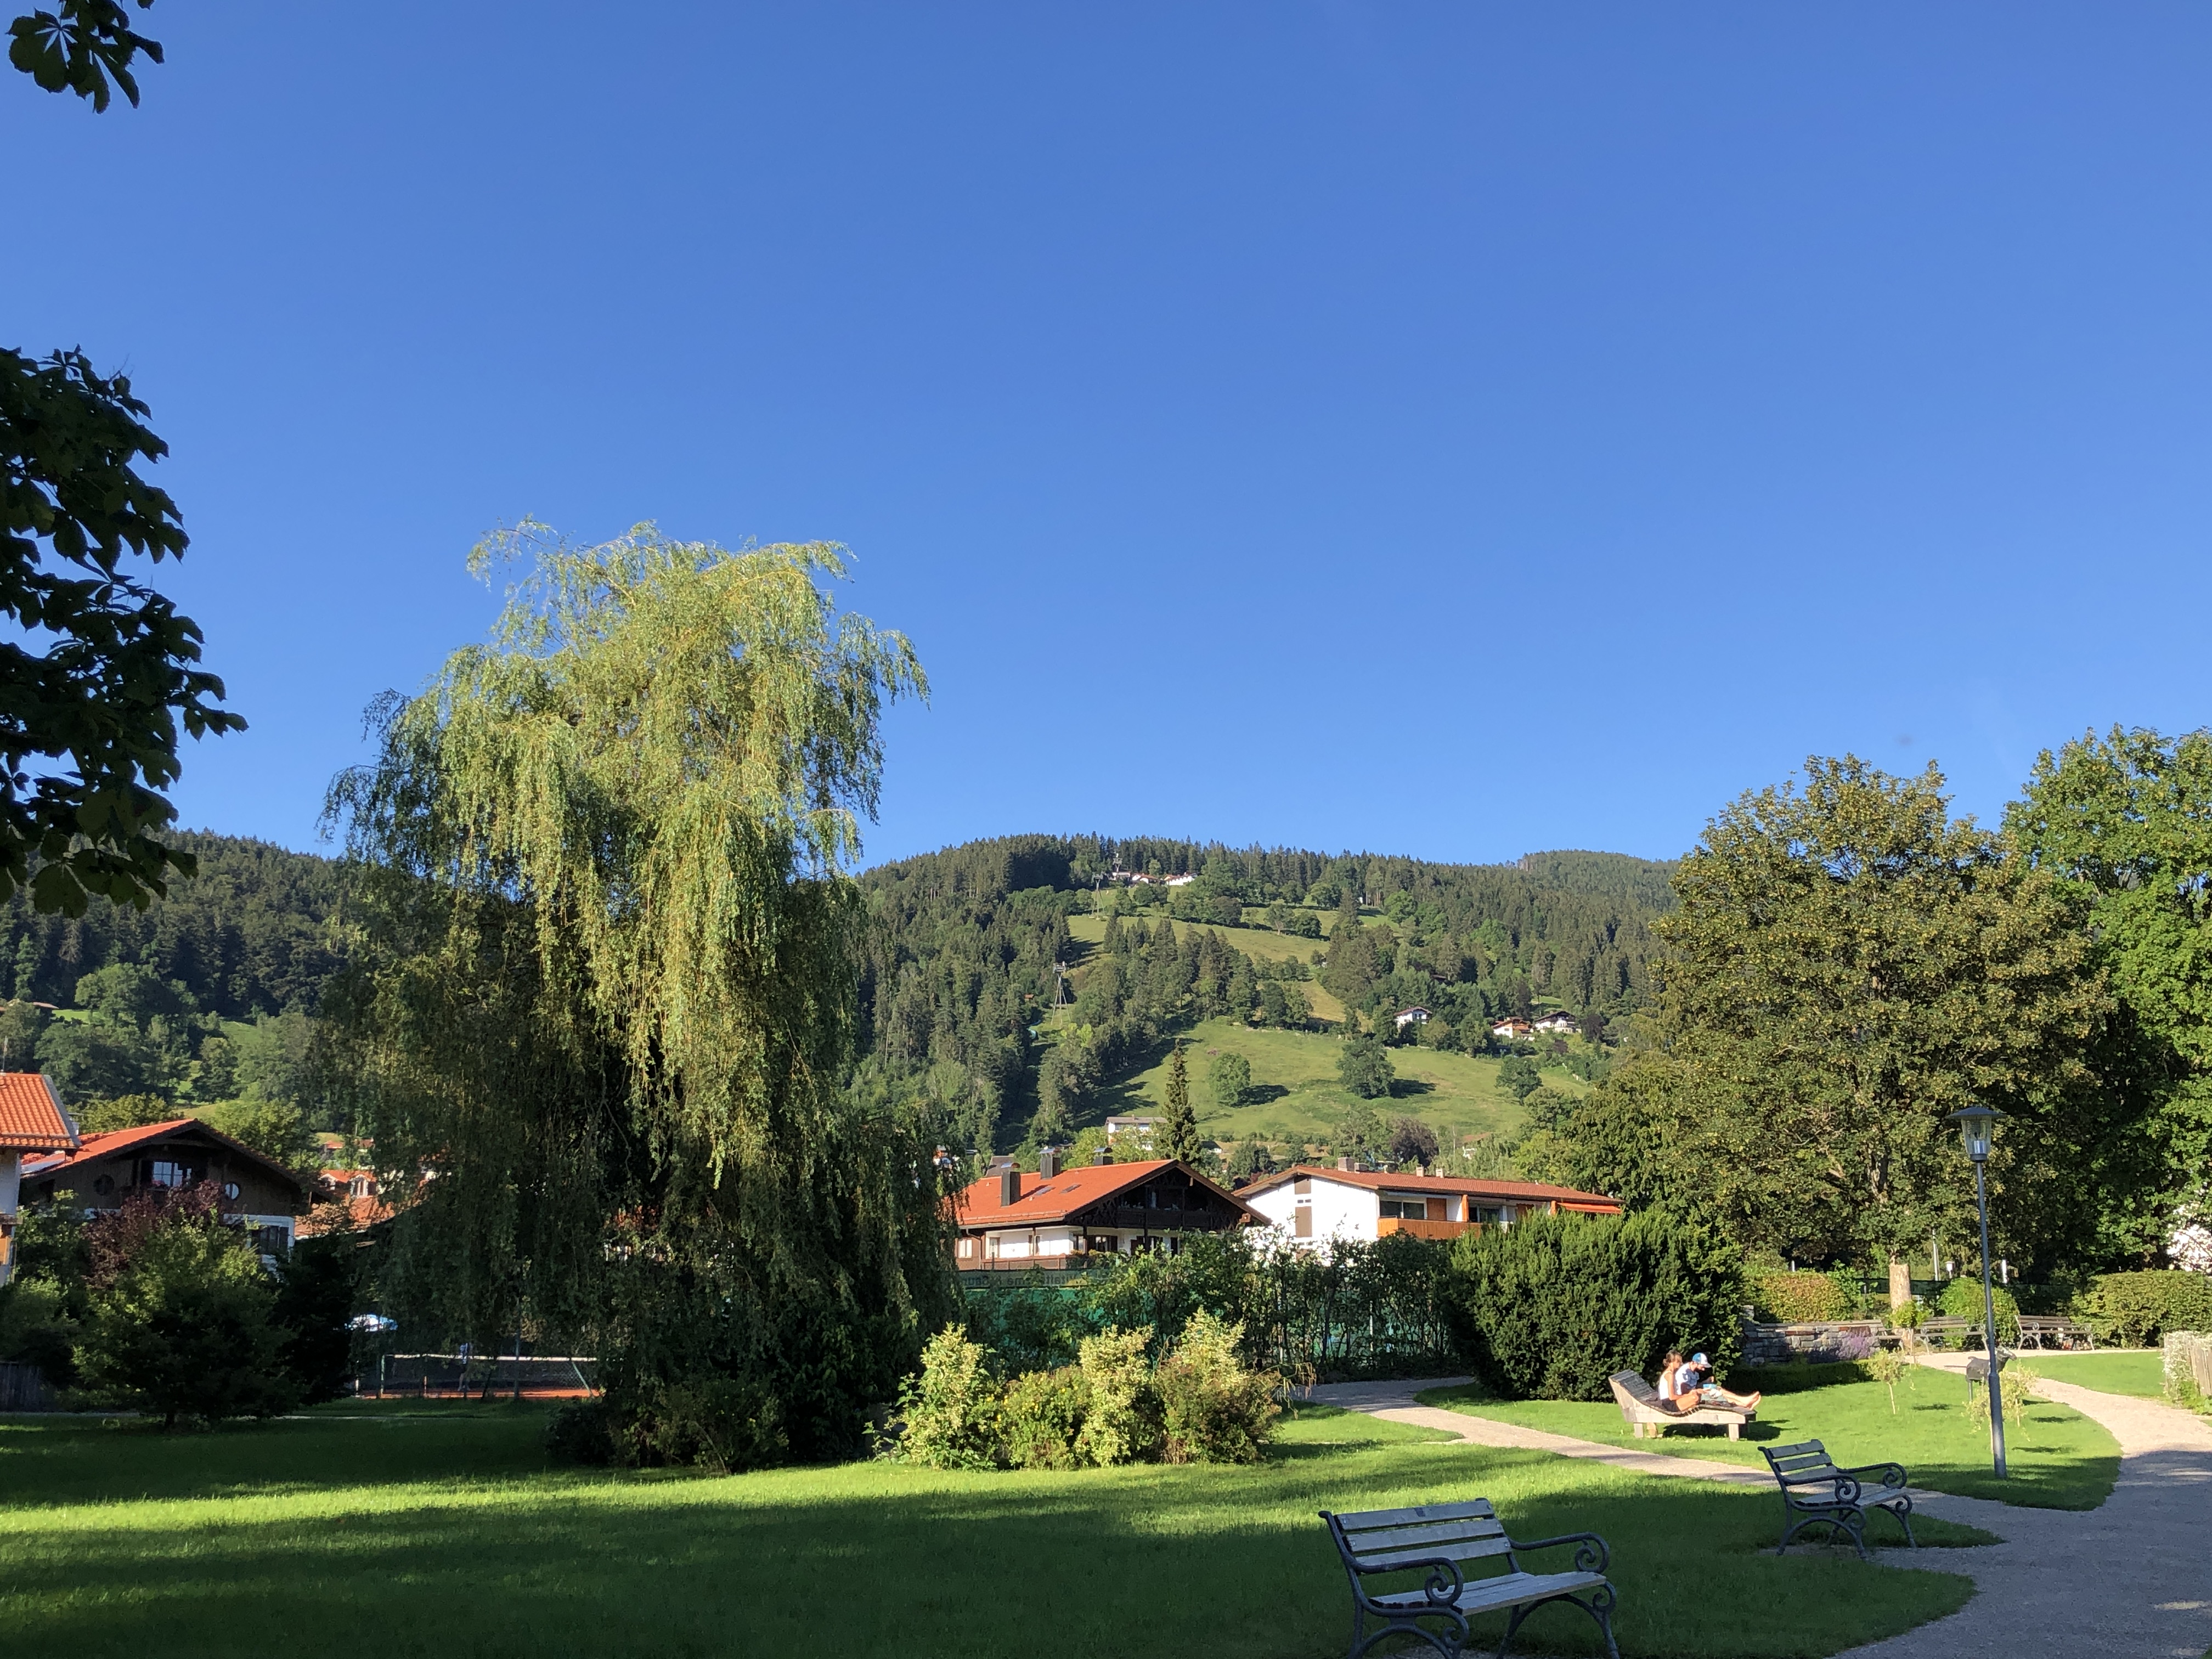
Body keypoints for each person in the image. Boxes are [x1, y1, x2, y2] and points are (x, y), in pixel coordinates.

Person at [1672, 1351, 1759, 1411]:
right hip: (1688, 1398)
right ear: (1695, 1363)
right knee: (1716, 1394)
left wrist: (1705, 1384)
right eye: (1703, 1366)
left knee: (1718, 1389)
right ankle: (1743, 1405)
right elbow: (1684, 1391)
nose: (1704, 1368)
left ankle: (1744, 1400)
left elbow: (1693, 1387)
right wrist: (1701, 1391)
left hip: (1695, 1394)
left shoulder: (1693, 1372)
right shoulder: (1684, 1372)